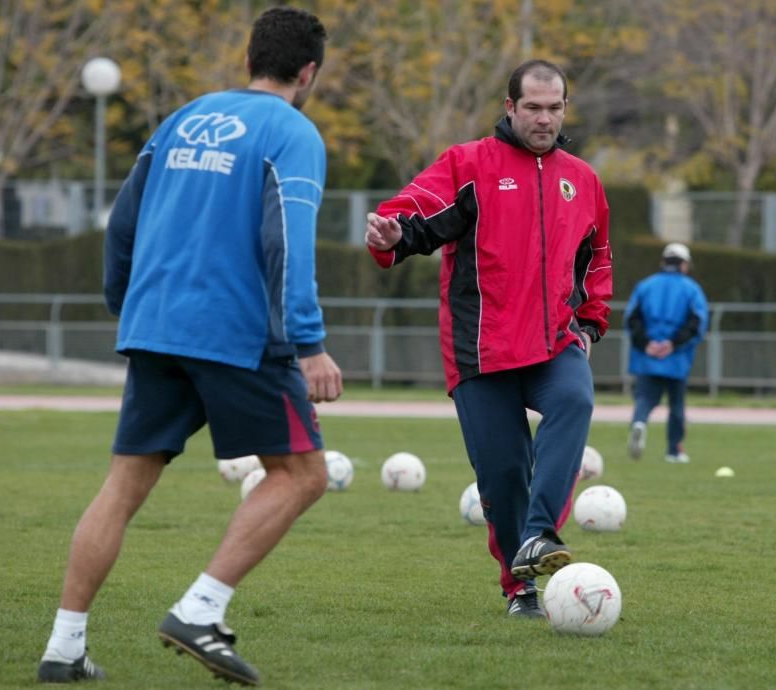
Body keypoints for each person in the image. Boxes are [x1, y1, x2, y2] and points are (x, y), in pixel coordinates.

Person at [37, 7, 341, 686]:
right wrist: (310, 343)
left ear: (249, 60)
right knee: (302, 474)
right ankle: (200, 610)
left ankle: (64, 648)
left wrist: (129, 304)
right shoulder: (292, 132)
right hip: (234, 332)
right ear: (309, 71)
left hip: (156, 327)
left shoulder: (183, 119)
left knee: (121, 487)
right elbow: (285, 239)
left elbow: (122, 224)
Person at [365, 60, 612, 619]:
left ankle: (541, 535)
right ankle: (520, 588)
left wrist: (591, 321)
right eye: (533, 108)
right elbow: (415, 216)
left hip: (554, 341)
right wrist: (390, 232)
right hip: (482, 347)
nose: (544, 118)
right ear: (510, 108)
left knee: (575, 399)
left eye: (554, 108)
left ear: (565, 109)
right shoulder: (469, 164)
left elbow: (596, 258)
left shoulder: (585, 180)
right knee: (502, 474)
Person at [623, 242, 708, 463]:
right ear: (684, 265)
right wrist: (672, 344)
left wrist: (646, 344)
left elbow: (632, 319)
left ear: (663, 262)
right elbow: (697, 323)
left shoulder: (645, 286)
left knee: (645, 399)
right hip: (676, 359)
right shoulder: (691, 289)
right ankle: (673, 451)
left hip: (647, 358)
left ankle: (639, 423)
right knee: (676, 406)